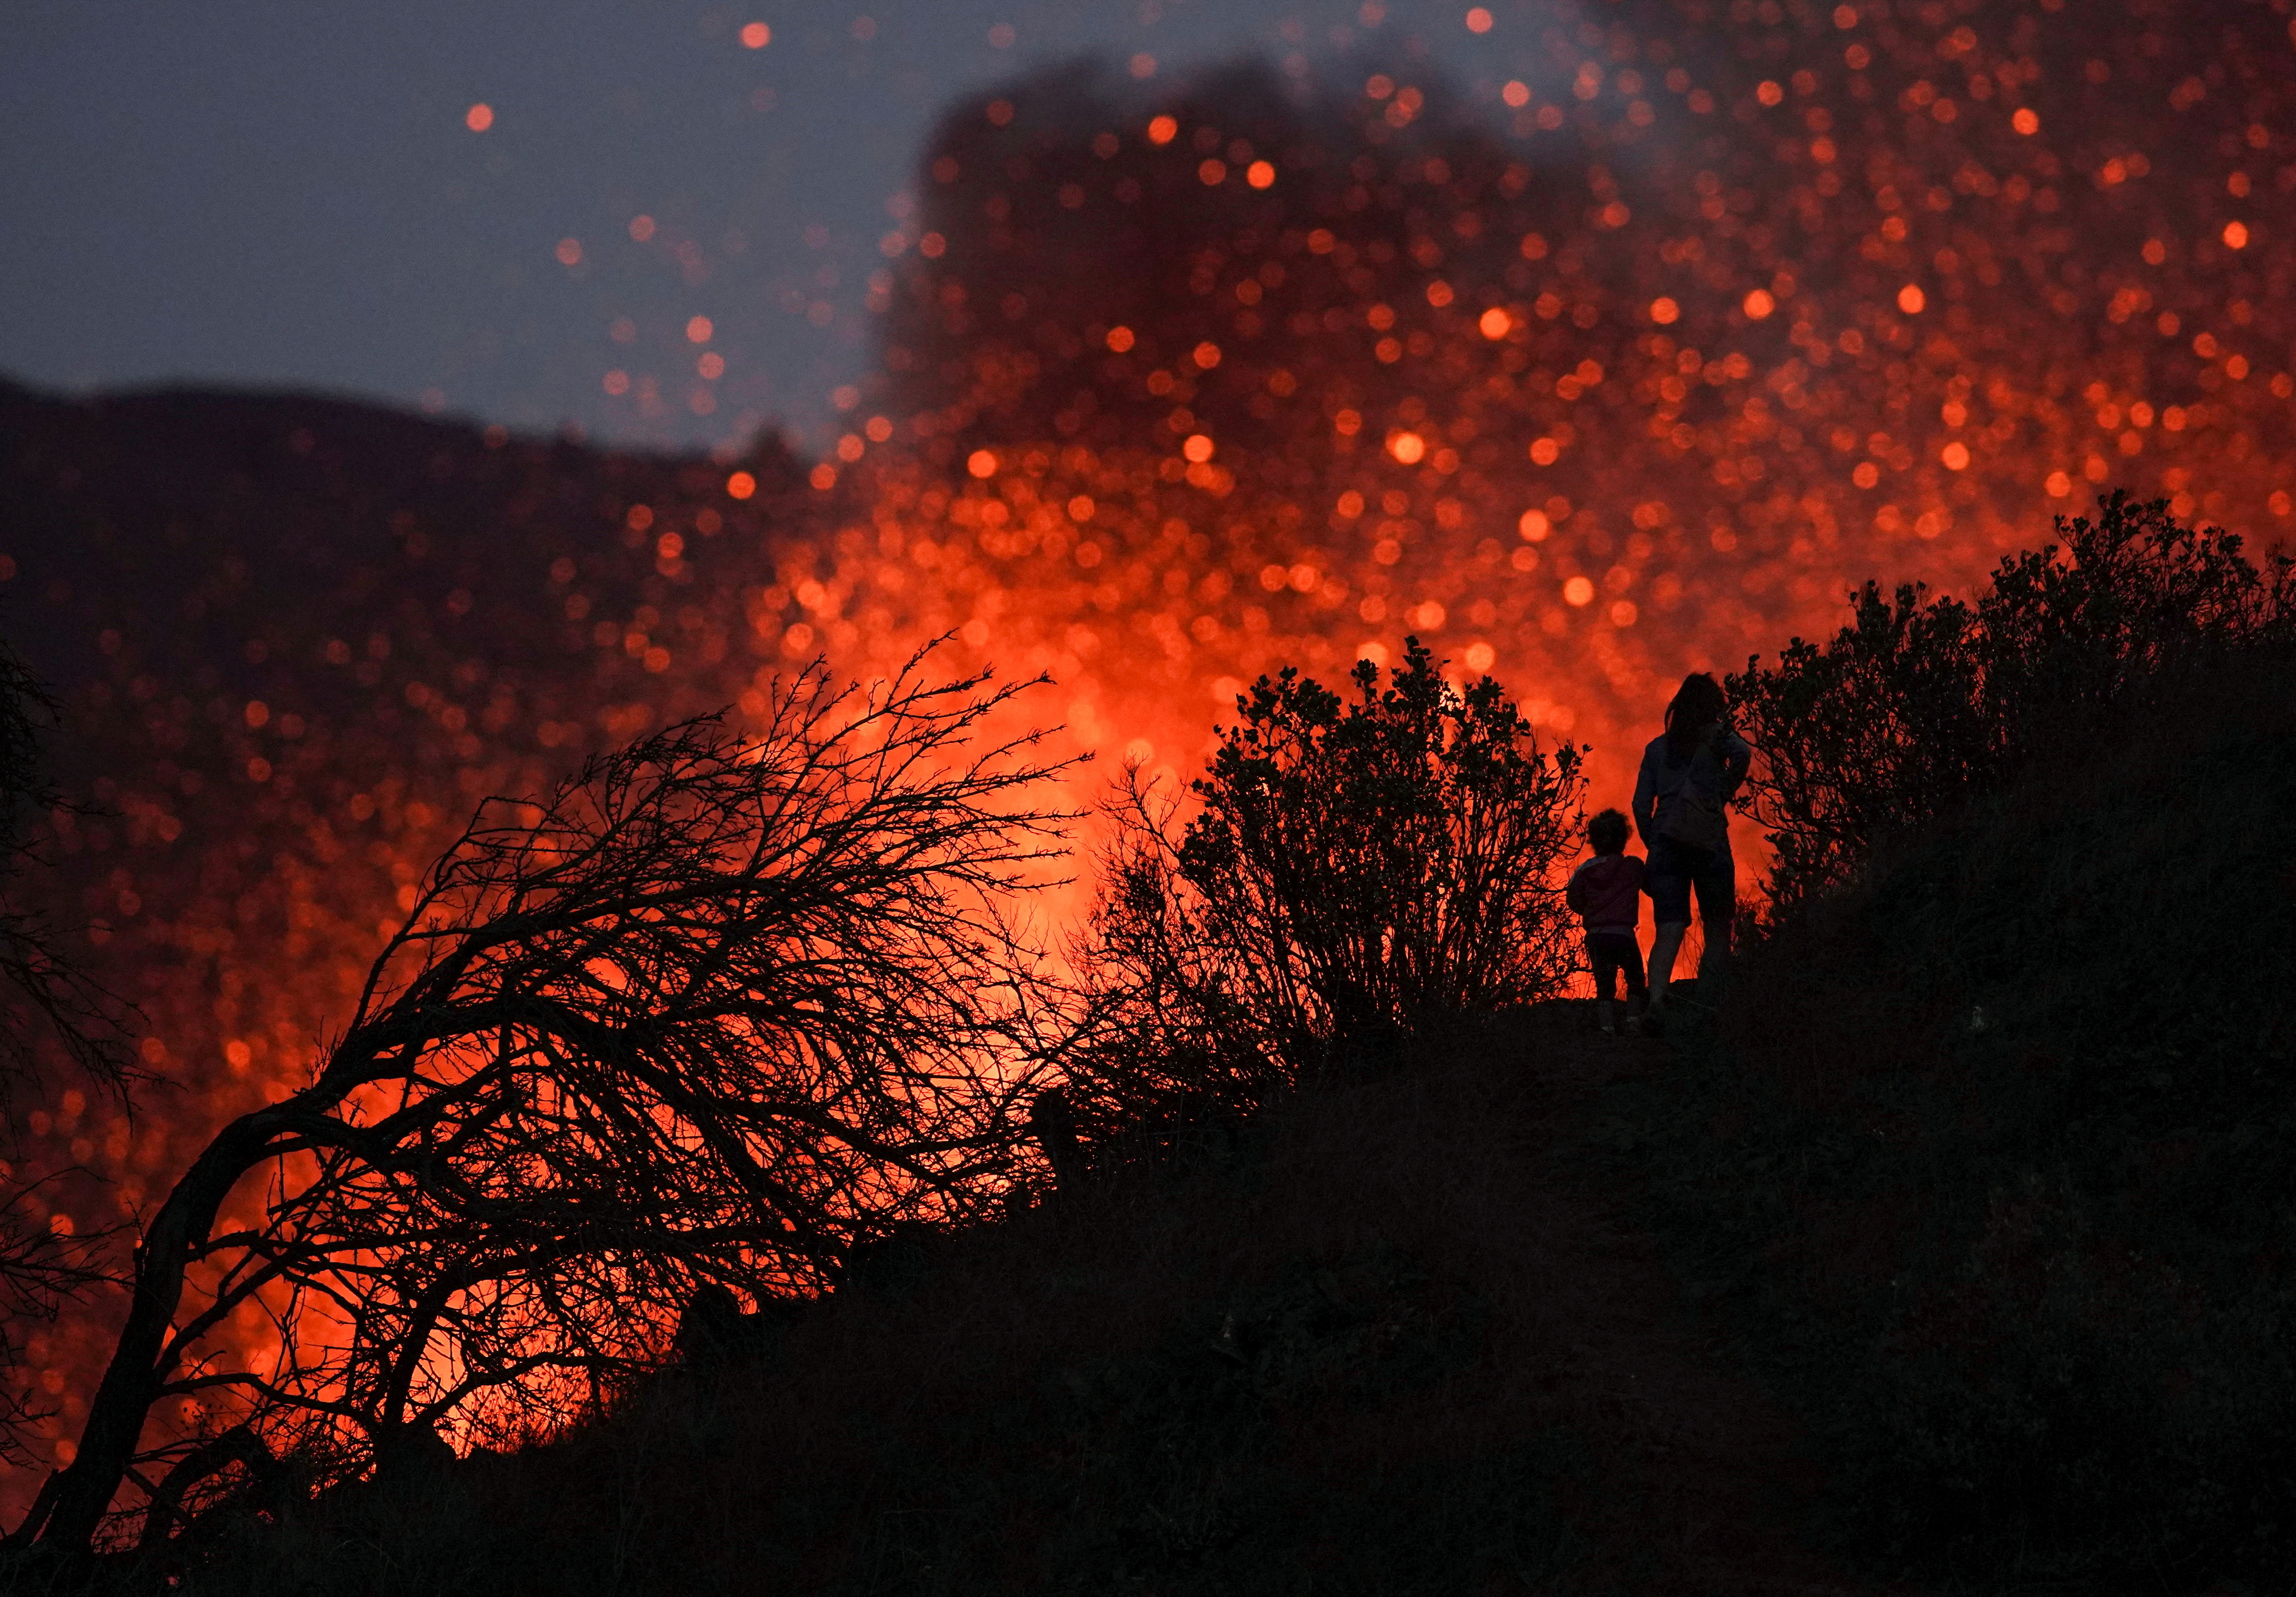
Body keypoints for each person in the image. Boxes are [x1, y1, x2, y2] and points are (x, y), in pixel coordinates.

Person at [1632, 672, 1751, 1026]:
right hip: (1709, 838)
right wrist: (1723, 792)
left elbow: (1641, 805)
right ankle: (1710, 1001)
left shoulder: (1656, 749)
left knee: (1669, 927)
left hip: (1666, 842)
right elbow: (1743, 753)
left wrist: (1654, 840)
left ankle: (1656, 1002)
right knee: (1717, 924)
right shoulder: (1717, 739)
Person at [1564, 808, 1647, 1036]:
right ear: (1624, 838)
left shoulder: (1585, 870)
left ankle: (1607, 1027)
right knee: (1635, 978)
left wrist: (1590, 910)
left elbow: (1573, 900)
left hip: (1597, 935)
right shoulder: (1633, 866)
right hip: (1624, 935)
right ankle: (1633, 1022)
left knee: (1605, 981)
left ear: (1594, 840)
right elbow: (1650, 886)